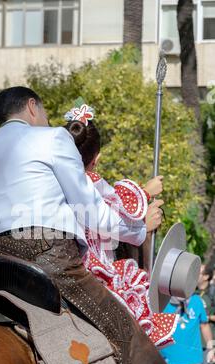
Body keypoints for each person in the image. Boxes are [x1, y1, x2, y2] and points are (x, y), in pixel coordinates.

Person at [0, 86, 199, 364]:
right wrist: (137, 228)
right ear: (31, 107)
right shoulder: (53, 138)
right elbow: (91, 210)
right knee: (127, 329)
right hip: (51, 262)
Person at [63, 108, 177, 349]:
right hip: (90, 265)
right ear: (97, 158)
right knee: (134, 336)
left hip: (57, 259)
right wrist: (144, 199)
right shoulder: (90, 182)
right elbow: (114, 218)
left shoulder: (51, 181)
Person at [199, 266, 215, 364]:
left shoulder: (212, 292)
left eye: (199, 272)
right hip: (193, 342)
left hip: (208, 342)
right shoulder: (193, 292)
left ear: (206, 277)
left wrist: (206, 316)